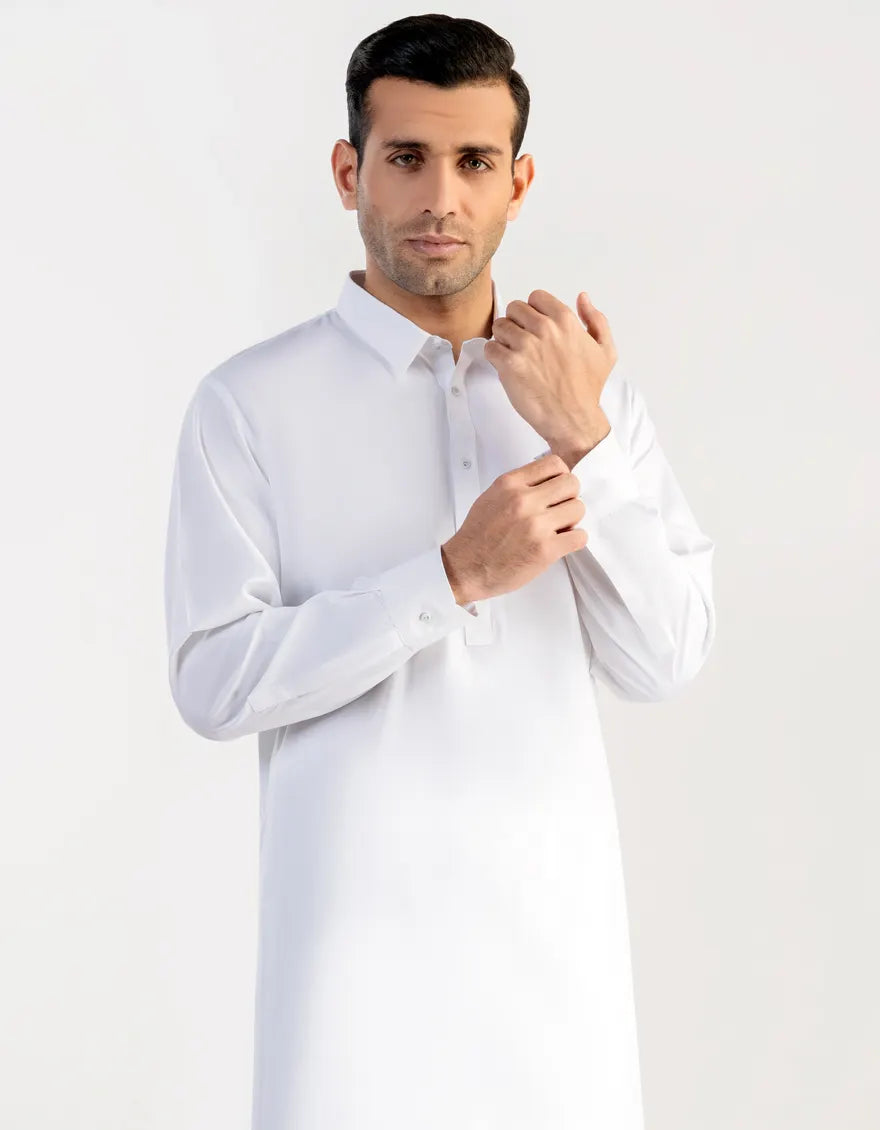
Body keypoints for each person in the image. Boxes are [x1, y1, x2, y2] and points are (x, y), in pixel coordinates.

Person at [163, 13, 716, 1130]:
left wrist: (586, 442)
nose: (440, 199)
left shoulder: (588, 399)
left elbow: (664, 661)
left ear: (518, 182)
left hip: (560, 974)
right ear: (348, 172)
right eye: (407, 157)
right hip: (349, 979)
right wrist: (448, 576)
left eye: (473, 162)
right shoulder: (249, 403)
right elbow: (213, 680)